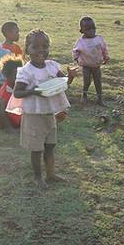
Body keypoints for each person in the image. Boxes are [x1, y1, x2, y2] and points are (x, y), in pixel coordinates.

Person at [13, 29, 78, 189]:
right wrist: (33, 91)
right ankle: (38, 177)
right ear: (27, 49)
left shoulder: (52, 66)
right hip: (33, 115)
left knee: (50, 145)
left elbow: (63, 83)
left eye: (45, 46)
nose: (41, 50)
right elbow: (17, 92)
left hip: (50, 113)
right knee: (36, 149)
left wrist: (69, 77)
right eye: (36, 47)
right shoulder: (26, 71)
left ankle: (51, 174)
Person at [72, 16, 110, 106]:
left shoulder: (99, 39)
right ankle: (84, 96)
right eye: (88, 29)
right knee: (87, 81)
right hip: (86, 66)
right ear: (82, 31)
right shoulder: (81, 42)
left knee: (98, 82)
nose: (92, 31)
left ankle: (100, 99)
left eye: (93, 28)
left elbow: (104, 49)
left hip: (96, 65)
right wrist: (77, 59)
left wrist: (106, 57)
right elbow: (75, 51)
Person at [0, 55, 23, 133]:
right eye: (16, 75)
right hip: (1, 121)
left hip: (14, 115)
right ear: (7, 75)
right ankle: (9, 129)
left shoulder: (20, 83)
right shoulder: (7, 89)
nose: (20, 77)